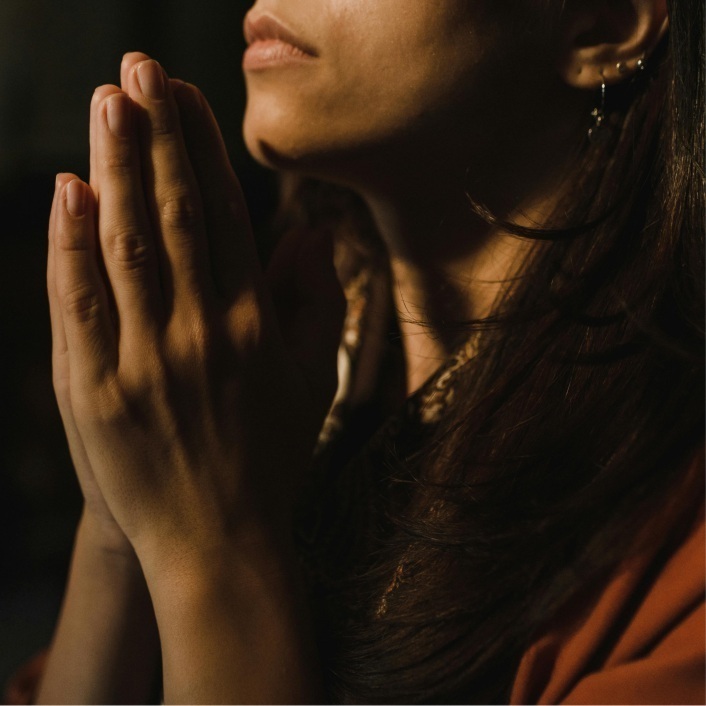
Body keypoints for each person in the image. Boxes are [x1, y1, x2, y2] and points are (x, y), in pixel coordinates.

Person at [8, 0, 703, 702]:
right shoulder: (275, 356)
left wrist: (212, 542)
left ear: (605, 24)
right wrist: (120, 512)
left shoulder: (678, 542)